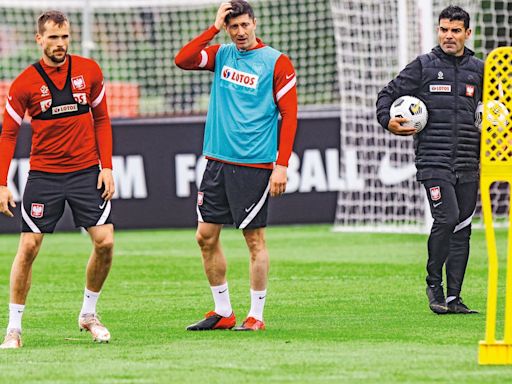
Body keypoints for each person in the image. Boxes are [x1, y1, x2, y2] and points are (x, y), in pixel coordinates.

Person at [175, 0, 297, 331]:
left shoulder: (276, 62)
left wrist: (281, 164)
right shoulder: (221, 55)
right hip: (216, 161)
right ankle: (223, 311)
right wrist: (213, 27)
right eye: (233, 27)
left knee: (254, 240)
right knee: (205, 236)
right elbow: (182, 59)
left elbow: (290, 116)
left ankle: (256, 315)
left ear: (254, 23)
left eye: (245, 25)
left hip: (254, 165)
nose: (240, 32)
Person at [0, 10, 115, 348]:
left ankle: (88, 314)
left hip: (85, 173)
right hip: (45, 176)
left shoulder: (89, 71)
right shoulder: (24, 83)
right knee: (29, 247)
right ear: (40, 39)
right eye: (53, 37)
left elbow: (103, 119)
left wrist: (105, 166)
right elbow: (8, 135)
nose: (60, 44)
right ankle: (14, 328)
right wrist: (2, 183)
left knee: (105, 243)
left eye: (65, 37)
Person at [376, 5, 483, 315]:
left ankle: (454, 298)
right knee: (447, 217)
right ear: (438, 31)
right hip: (433, 161)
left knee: (462, 226)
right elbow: (388, 93)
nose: (448, 36)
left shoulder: (479, 69)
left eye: (455, 30)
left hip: (467, 162)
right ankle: (433, 284)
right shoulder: (423, 66)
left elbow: (497, 106)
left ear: (467, 33)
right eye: (444, 29)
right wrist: (388, 120)